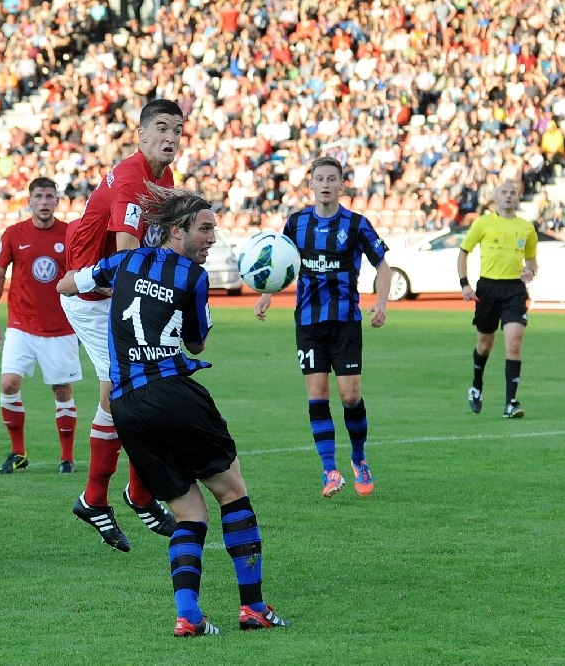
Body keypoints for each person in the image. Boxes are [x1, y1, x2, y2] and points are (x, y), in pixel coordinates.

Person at [57, 183, 288, 636]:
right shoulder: (193, 277)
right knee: (232, 493)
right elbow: (196, 343)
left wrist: (110, 285)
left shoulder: (123, 262)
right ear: (176, 231)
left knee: (189, 513)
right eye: (204, 229)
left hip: (126, 406)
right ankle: (253, 608)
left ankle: (189, 616)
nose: (211, 238)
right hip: (171, 392)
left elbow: (66, 284)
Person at [60, 98, 182, 552]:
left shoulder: (164, 178)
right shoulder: (132, 179)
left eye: (178, 129)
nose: (171, 137)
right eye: (162, 128)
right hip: (92, 295)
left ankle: (125, 494)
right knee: (123, 392)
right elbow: (129, 252)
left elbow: (158, 242)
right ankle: (109, 497)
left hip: (116, 289)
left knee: (145, 388)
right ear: (141, 134)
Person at [254, 156, 391, 499]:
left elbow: (383, 266)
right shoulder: (296, 223)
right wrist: (267, 294)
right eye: (320, 179)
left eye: (332, 179)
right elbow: (280, 263)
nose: (326, 184)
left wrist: (382, 302)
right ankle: (329, 469)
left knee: (350, 396)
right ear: (311, 184)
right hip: (309, 322)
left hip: (346, 322)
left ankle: (358, 458)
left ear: (341, 184)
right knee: (317, 394)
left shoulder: (357, 224)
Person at [0, 177, 80, 475]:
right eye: (38, 196)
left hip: (60, 326)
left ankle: (66, 458)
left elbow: (79, 276)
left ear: (57, 201)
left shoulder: (70, 234)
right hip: (21, 325)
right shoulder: (14, 234)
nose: (44, 202)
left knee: (61, 390)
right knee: (8, 384)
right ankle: (18, 452)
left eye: (49, 196)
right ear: (29, 201)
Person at [458, 179, 539, 418]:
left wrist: (531, 272)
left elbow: (532, 261)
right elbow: (463, 253)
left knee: (514, 343)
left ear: (518, 197)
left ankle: (511, 403)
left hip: (514, 289)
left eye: (513, 192)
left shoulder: (526, 228)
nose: (509, 196)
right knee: (485, 344)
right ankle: (477, 385)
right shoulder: (483, 223)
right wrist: (464, 284)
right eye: (504, 192)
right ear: (496, 197)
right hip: (488, 288)